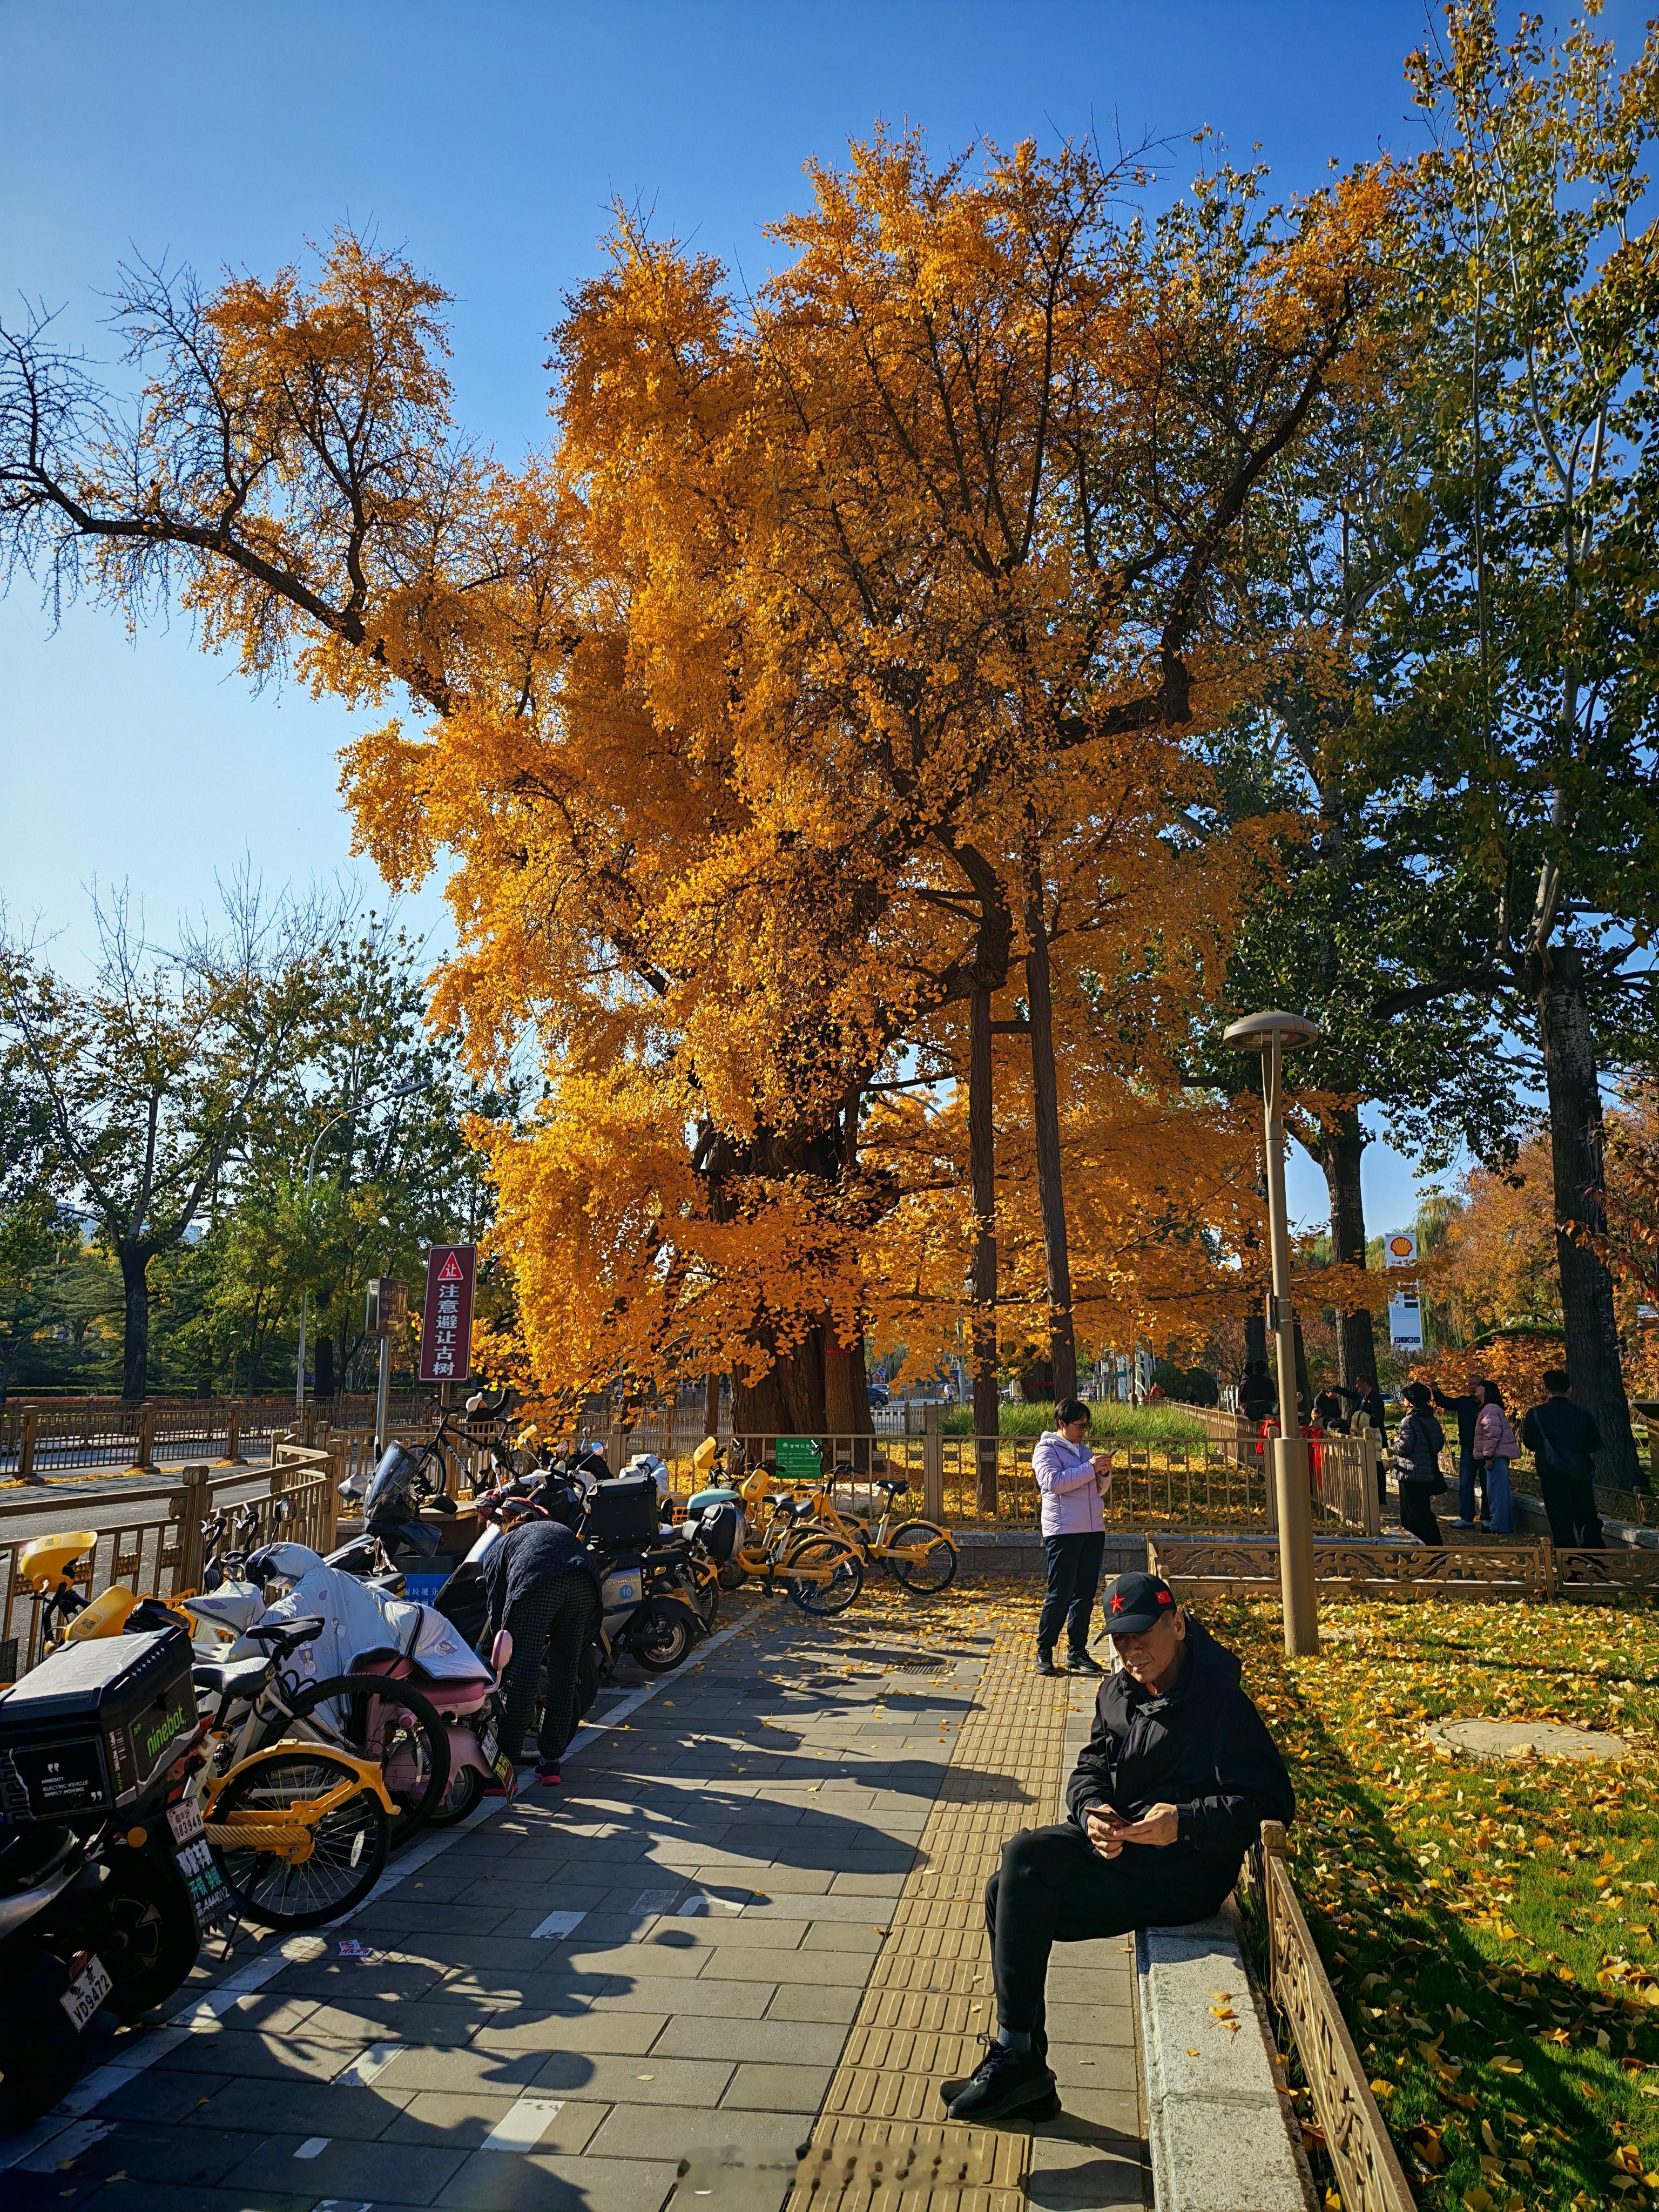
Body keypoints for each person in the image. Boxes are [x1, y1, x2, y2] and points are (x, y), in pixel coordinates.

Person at [938, 1571, 1294, 2123]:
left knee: (1024, 1860)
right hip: (1129, 1854)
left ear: (1177, 1624)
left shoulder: (1221, 1703)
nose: (1131, 1649)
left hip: (1185, 1875)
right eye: (1120, 1639)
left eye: (1142, 1633)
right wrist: (1092, 1811)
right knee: (1004, 1885)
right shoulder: (1119, 1690)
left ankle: (1016, 2058)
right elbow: (1091, 1765)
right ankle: (1025, 2066)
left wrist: (1187, 1822)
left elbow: (1270, 1802)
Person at [480, 1509, 603, 1787]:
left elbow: (497, 1603)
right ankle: (550, 1764)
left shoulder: (503, 1545)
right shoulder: (555, 1530)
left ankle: (504, 1770)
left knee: (521, 1675)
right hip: (584, 1581)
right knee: (565, 1674)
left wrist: (499, 1642)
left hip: (539, 1584)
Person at [1031, 1398, 1112, 1677]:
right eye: (1079, 1425)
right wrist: (1090, 1468)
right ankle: (1044, 1650)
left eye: (1086, 1426)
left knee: (1085, 1594)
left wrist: (1103, 1473)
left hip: (1092, 1528)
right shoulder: (1046, 1449)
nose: (1083, 1431)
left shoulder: (1084, 1451)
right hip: (1064, 1531)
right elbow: (1054, 1483)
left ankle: (1077, 1650)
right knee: (1060, 1593)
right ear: (1061, 1424)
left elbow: (1097, 1491)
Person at [1521, 1370, 1607, 1548]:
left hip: (1551, 1473)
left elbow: (1530, 1443)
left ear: (1547, 1391)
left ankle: (1568, 1565)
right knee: (1586, 1516)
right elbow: (1594, 1443)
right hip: (1579, 1472)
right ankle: (1595, 1561)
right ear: (1570, 1390)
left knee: (1560, 1521)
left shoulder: (1537, 1414)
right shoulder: (1581, 1413)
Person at [1394, 1381, 1446, 1547]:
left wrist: (1395, 1442)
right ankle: (1433, 1547)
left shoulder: (1409, 1421)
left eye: (1406, 1397)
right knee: (1424, 1511)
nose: (1403, 1400)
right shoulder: (1433, 1420)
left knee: (1412, 1514)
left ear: (1412, 1400)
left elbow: (1404, 1448)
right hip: (1428, 1472)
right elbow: (1438, 1444)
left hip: (1410, 1473)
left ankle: (1421, 1548)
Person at [1431, 1379, 1486, 1529]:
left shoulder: (1488, 1404)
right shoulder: (1464, 1402)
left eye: (1476, 1384)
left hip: (1485, 1448)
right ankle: (1467, 1518)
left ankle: (1487, 1518)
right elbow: (1445, 1402)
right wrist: (1436, 1390)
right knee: (1466, 1483)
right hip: (1468, 1447)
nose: (1472, 1387)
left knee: (1486, 1484)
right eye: (1470, 1384)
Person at [1473, 1380, 1521, 1536]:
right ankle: (1502, 1524)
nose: (1476, 1388)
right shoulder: (1490, 1409)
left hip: (1496, 1456)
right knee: (1499, 1490)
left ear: (1487, 1391)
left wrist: (1487, 1455)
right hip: (1499, 1454)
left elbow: (1492, 1433)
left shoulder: (1489, 1409)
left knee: (1496, 1491)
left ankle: (1498, 1525)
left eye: (1480, 1386)